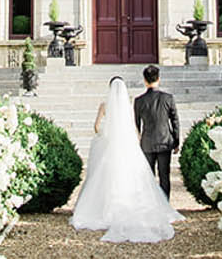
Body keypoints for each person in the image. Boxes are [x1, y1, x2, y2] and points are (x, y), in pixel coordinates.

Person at [70, 75, 181, 243]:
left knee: (105, 177)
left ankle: (102, 208)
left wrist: (104, 135)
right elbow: (135, 127)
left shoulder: (105, 105)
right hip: (129, 145)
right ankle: (148, 205)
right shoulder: (129, 106)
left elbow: (97, 127)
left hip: (110, 146)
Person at [133, 64, 180, 197]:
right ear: (158, 79)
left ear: (145, 80)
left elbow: (136, 124)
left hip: (147, 142)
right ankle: (165, 203)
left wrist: (139, 140)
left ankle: (150, 203)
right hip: (165, 141)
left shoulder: (139, 101)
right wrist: (176, 141)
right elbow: (175, 120)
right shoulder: (168, 98)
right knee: (164, 175)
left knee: (148, 177)